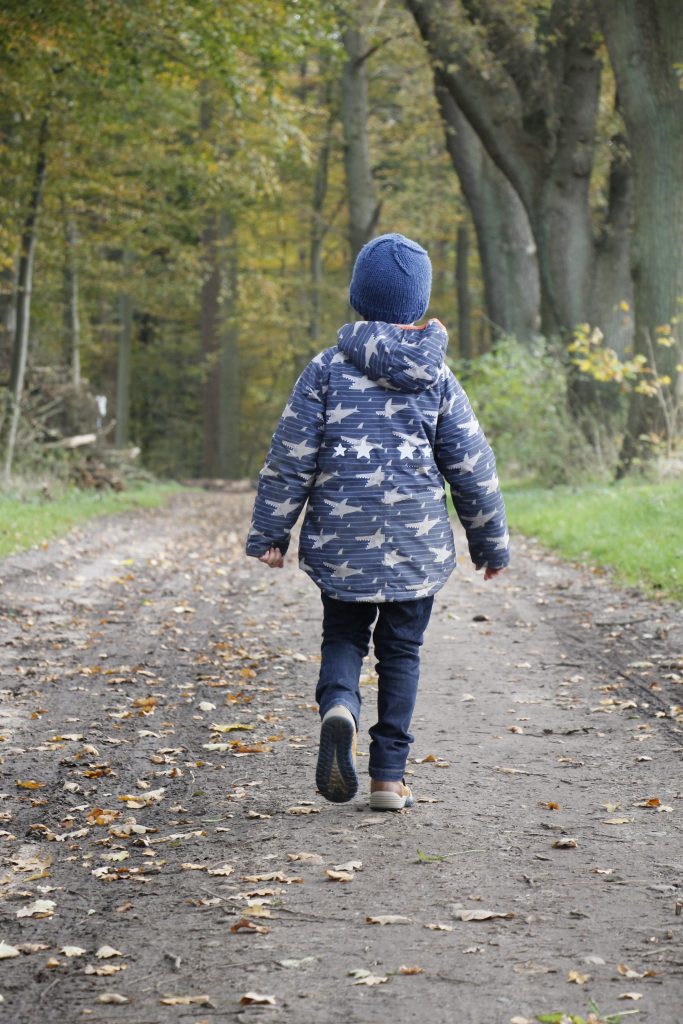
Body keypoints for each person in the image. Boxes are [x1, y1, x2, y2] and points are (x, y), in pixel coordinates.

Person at [246, 233, 509, 811]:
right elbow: (471, 467)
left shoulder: (326, 370)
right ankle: (389, 776)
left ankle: (340, 704)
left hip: (343, 548)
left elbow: (289, 456)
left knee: (343, 635)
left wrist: (272, 532)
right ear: (419, 305)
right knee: (402, 652)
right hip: (416, 550)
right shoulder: (437, 378)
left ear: (357, 299)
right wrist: (489, 543)